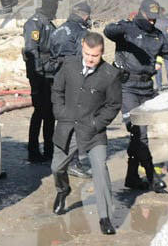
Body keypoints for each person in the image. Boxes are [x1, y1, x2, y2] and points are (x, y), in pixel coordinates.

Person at [105, 0, 168, 192]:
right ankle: (151, 176)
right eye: (149, 18)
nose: (152, 22)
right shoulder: (127, 29)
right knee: (139, 134)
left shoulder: (157, 36)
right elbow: (108, 31)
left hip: (146, 87)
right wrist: (124, 28)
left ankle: (132, 177)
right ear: (141, 13)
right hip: (127, 86)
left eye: (155, 19)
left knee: (137, 135)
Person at [50, 32, 121, 236]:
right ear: (82, 47)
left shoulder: (110, 74)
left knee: (100, 168)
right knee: (56, 168)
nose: (90, 59)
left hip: (93, 133)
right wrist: (60, 113)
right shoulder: (69, 65)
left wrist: (96, 123)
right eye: (88, 54)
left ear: (102, 53)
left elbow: (113, 105)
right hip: (67, 128)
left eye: (95, 56)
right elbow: (57, 91)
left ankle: (105, 217)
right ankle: (63, 190)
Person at [49, 1, 95, 177]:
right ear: (84, 15)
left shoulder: (58, 30)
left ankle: (61, 160)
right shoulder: (81, 33)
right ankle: (73, 163)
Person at [23, 0, 61, 162]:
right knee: (40, 112)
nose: (57, 8)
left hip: (50, 74)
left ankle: (48, 149)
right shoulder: (35, 23)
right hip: (40, 76)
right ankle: (33, 150)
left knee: (50, 114)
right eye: (55, 5)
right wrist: (38, 75)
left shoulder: (49, 24)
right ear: (49, 5)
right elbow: (32, 49)